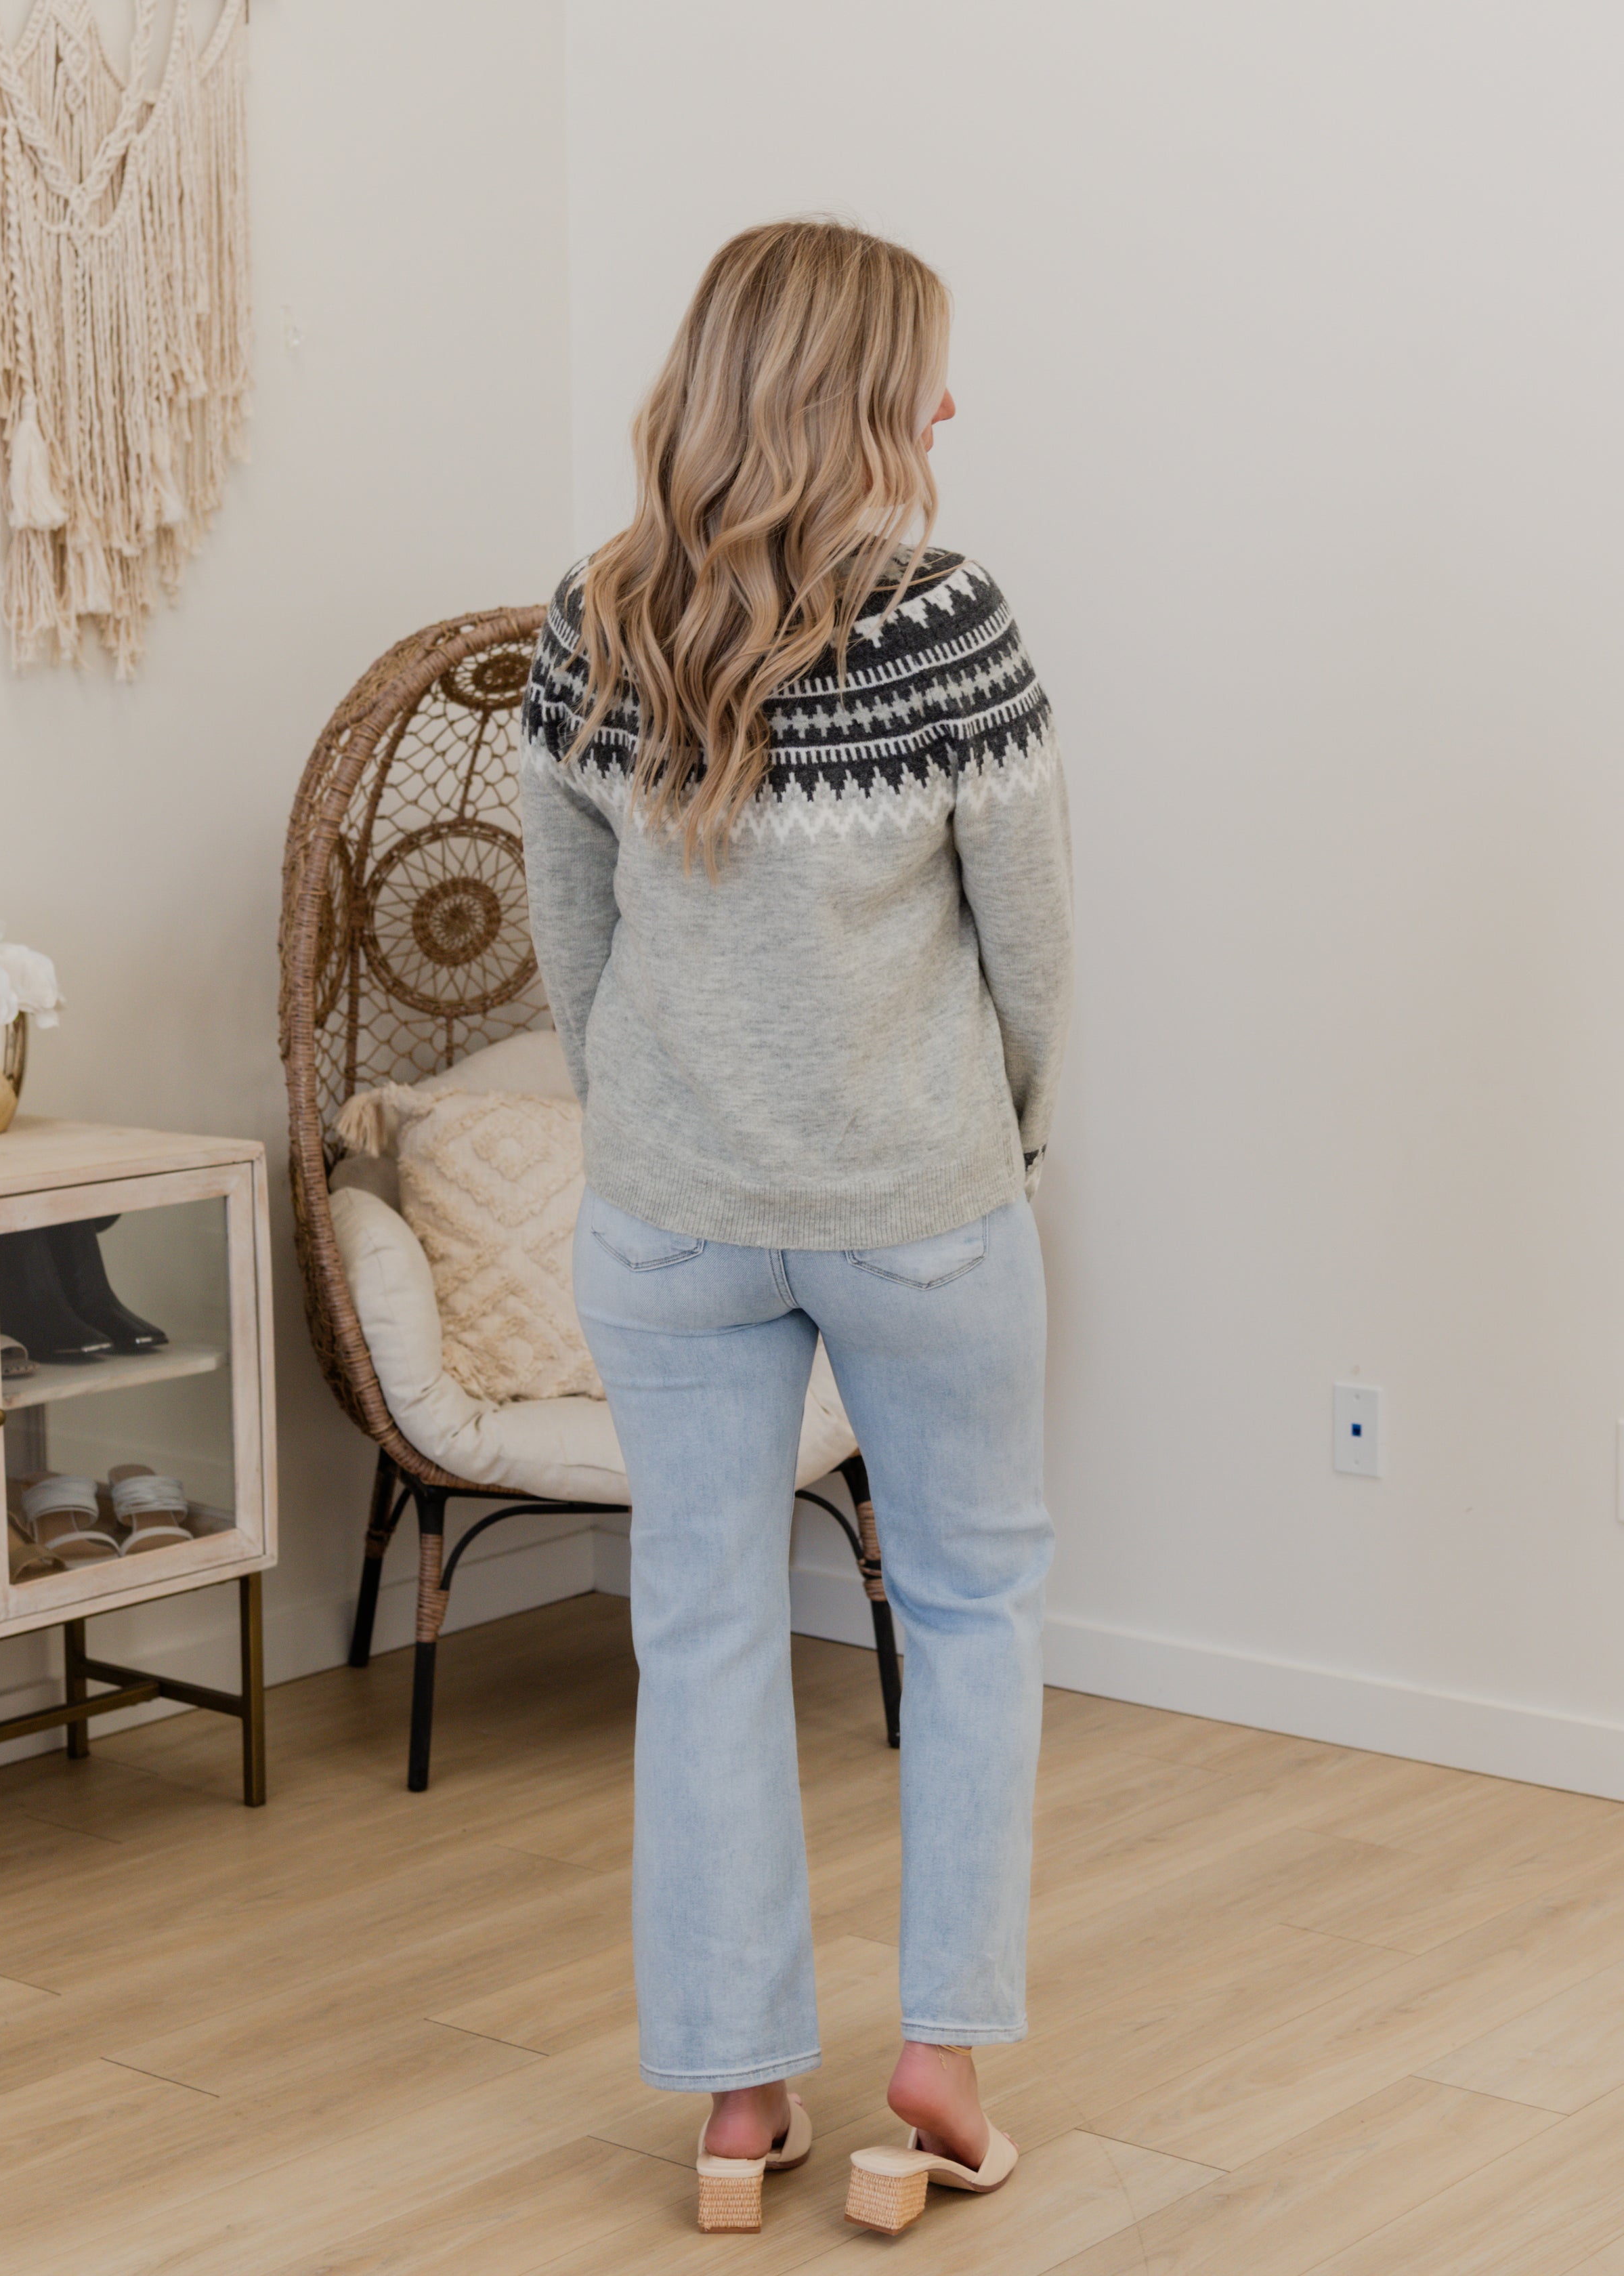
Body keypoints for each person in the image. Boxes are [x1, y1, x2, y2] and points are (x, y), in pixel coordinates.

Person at [520, 216, 1073, 2239]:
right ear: (849, 395)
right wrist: (1000, 1149)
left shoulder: (589, 623)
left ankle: (738, 2093)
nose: (950, 406)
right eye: (924, 375)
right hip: (920, 1206)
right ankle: (942, 2067)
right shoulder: (949, 625)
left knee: (702, 1629)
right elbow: (1032, 949)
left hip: (670, 1216)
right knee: (975, 1606)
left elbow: (571, 941)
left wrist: (664, 1126)